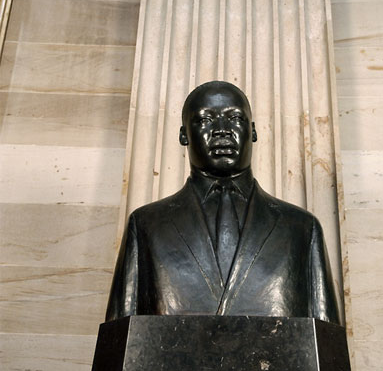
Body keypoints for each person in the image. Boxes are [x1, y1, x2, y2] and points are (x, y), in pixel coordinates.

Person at [106, 81, 340, 322]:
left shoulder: (300, 228)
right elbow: (119, 337)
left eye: (235, 118)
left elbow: (327, 342)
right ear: (184, 134)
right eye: (206, 119)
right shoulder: (146, 224)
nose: (222, 130)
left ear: (253, 131)